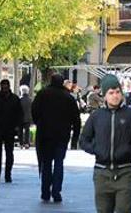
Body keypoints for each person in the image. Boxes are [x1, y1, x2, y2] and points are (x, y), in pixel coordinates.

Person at [80, 74, 131, 213]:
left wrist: (129, 150)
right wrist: (96, 149)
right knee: (103, 210)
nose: (115, 96)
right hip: (102, 172)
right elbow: (84, 140)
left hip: (124, 171)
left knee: (124, 209)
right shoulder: (96, 116)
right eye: (111, 93)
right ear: (104, 95)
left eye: (118, 92)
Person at [31, 74, 82, 203]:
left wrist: (39, 123)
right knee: (59, 163)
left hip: (45, 134)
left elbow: (34, 111)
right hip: (62, 135)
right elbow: (76, 119)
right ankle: (56, 191)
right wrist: (75, 137)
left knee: (46, 163)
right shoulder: (68, 98)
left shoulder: (42, 94)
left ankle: (45, 191)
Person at [0, 79, 23, 182]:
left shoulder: (14, 99)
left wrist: (17, 127)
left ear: (8, 87)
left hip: (9, 130)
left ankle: (7, 175)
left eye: (6, 86)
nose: (4, 88)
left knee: (8, 153)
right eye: (3, 86)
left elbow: (19, 115)